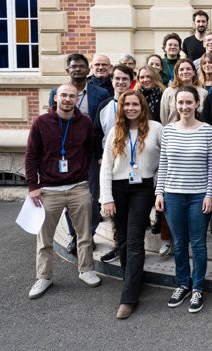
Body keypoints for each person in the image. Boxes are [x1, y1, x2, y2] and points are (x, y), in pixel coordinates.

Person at [26, 83, 101, 299]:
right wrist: (33, 186)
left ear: (78, 99)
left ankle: (86, 269)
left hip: (78, 186)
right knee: (45, 237)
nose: (68, 99)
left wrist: (82, 173)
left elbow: (88, 150)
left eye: (72, 96)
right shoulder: (41, 123)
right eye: (64, 95)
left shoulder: (84, 122)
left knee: (84, 234)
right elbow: (31, 156)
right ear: (56, 98)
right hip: (49, 189)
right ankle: (44, 276)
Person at [99, 90, 162, 319]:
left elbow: (164, 159)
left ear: (142, 106)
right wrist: (106, 197)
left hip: (143, 189)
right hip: (118, 188)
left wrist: (157, 181)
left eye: (135, 104)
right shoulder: (116, 131)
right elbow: (106, 166)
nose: (131, 108)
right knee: (122, 239)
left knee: (135, 238)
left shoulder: (155, 128)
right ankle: (131, 280)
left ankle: (128, 298)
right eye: (127, 105)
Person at [155, 86, 212, 313]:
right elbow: (164, 164)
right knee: (179, 243)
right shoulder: (168, 131)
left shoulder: (207, 130)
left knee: (198, 243)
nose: (184, 107)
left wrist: (210, 194)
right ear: (175, 104)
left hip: (199, 195)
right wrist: (159, 192)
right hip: (172, 195)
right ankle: (183, 284)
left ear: (197, 104)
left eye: (189, 102)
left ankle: (198, 287)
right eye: (180, 102)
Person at [47, 54, 109, 256]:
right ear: (67, 70)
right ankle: (75, 237)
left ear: (88, 70)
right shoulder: (58, 92)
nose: (78, 70)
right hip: (66, 154)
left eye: (82, 66)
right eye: (74, 67)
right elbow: (51, 121)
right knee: (68, 194)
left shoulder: (100, 92)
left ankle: (88, 236)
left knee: (90, 196)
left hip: (89, 152)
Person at [93, 65, 135, 263]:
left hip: (133, 166)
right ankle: (118, 246)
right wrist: (101, 156)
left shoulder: (137, 104)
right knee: (114, 211)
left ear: (131, 81)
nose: (120, 82)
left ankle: (128, 249)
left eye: (124, 79)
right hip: (112, 164)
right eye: (117, 79)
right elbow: (96, 134)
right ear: (112, 81)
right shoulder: (104, 106)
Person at [159, 59, 208, 125]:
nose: (185, 72)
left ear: (194, 72)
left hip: (196, 132)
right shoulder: (168, 92)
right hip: (173, 133)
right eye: (181, 69)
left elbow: (205, 116)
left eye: (188, 69)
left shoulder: (203, 93)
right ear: (177, 73)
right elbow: (164, 116)